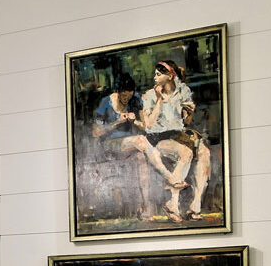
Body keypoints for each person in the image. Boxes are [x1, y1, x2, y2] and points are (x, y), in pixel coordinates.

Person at [91, 73, 186, 220]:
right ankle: (170, 178)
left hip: (131, 144)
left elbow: (145, 126)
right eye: (123, 96)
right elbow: (96, 132)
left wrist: (135, 121)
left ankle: (146, 209)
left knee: (142, 158)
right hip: (110, 146)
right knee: (140, 140)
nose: (126, 99)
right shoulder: (106, 102)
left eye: (129, 96)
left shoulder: (135, 99)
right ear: (117, 92)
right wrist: (116, 122)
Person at [141, 60, 212, 222]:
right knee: (186, 152)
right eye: (155, 74)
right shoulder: (150, 95)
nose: (155, 77)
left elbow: (185, 122)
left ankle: (196, 204)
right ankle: (173, 203)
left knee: (204, 152)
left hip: (178, 135)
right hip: (158, 137)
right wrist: (159, 99)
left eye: (159, 75)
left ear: (170, 75)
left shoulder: (183, 91)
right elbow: (149, 124)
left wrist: (189, 113)